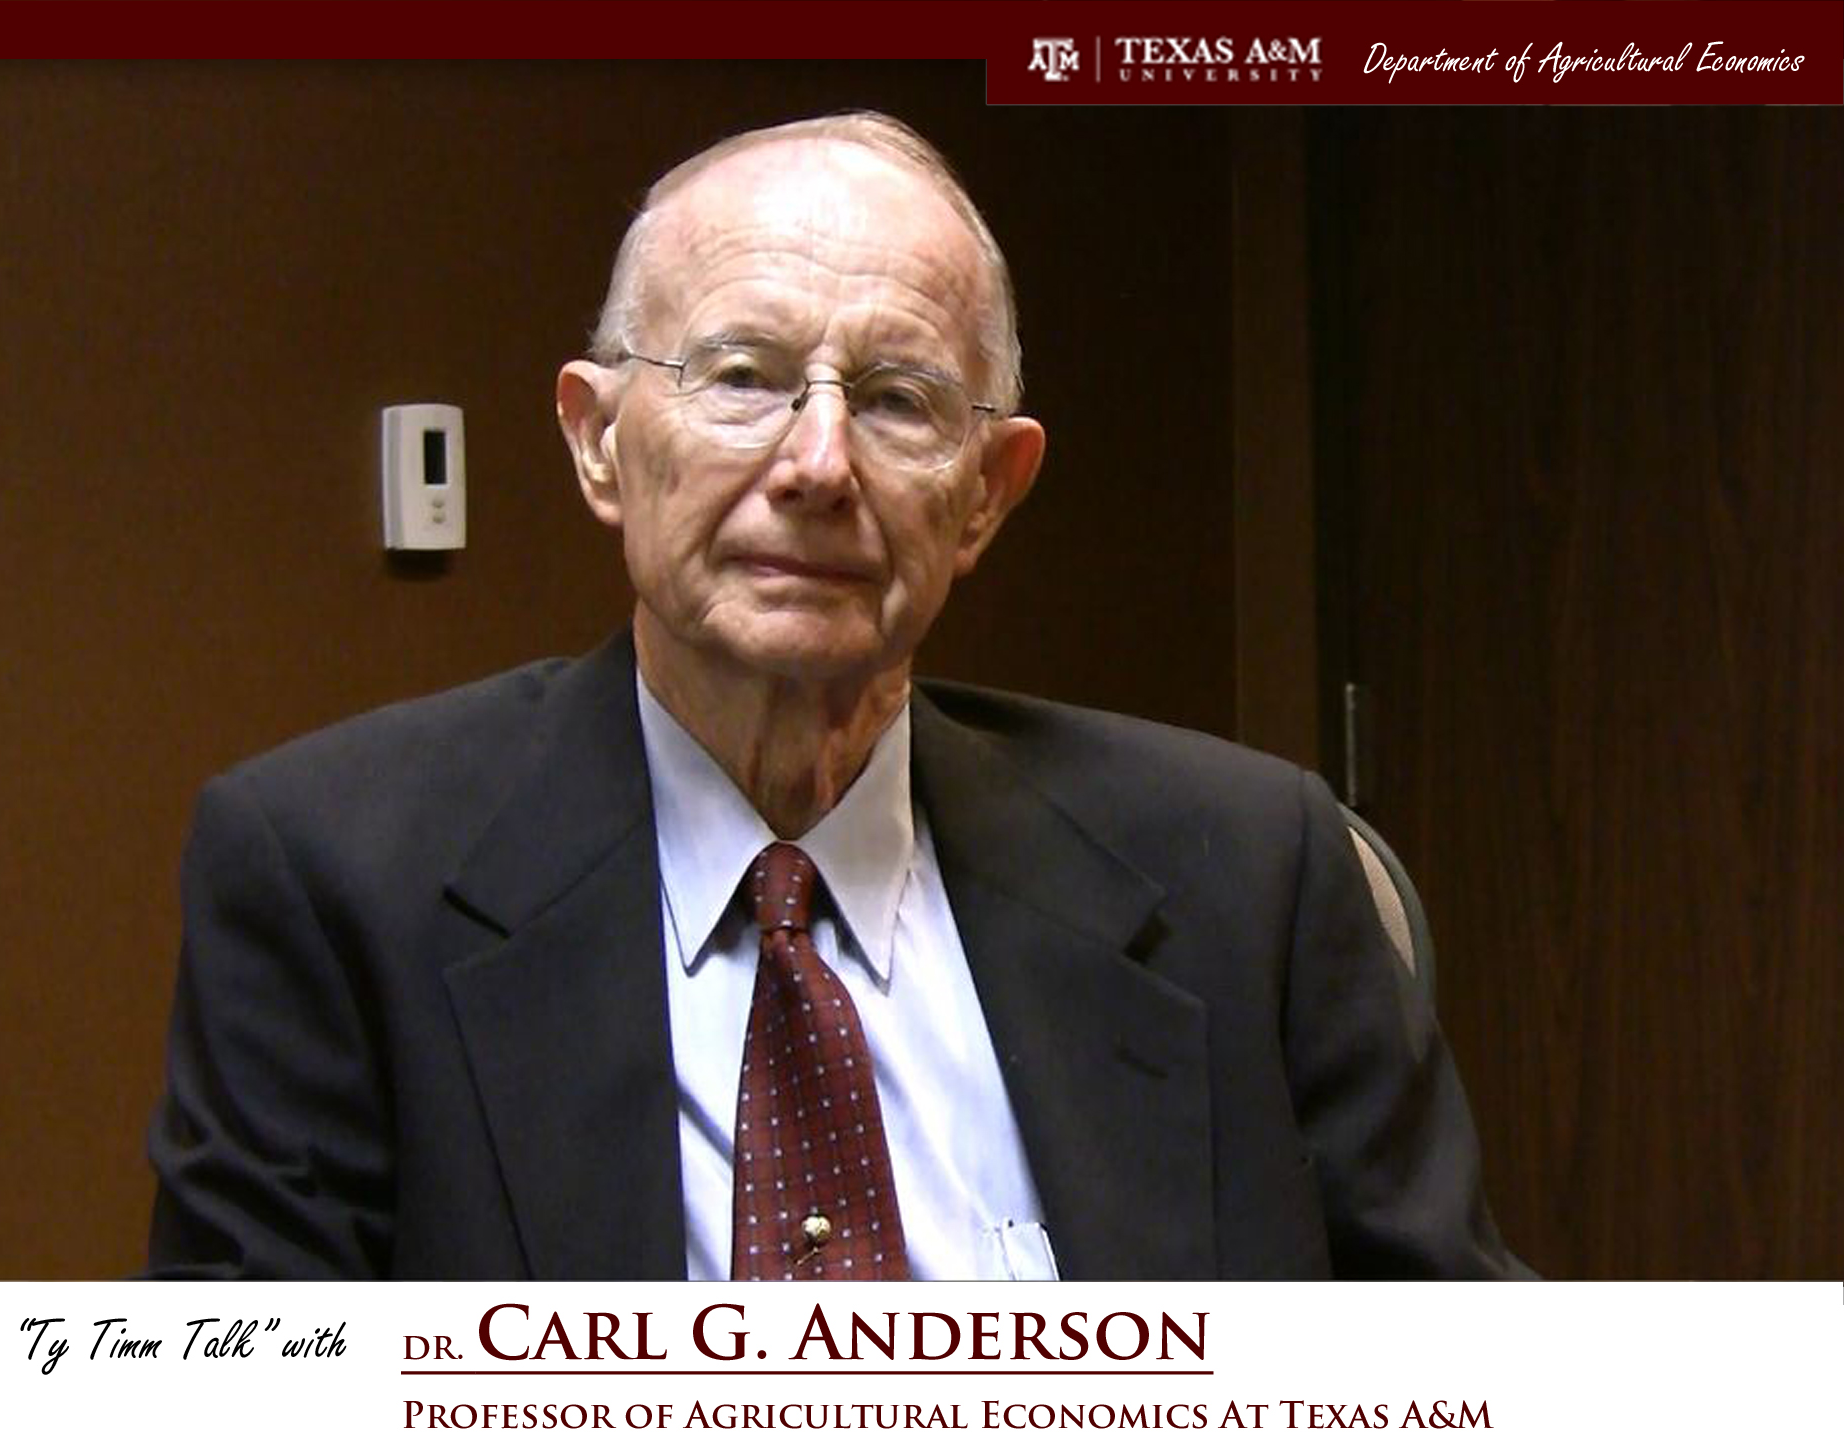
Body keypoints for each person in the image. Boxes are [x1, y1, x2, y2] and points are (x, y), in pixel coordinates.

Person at [148, 112, 1526, 1280]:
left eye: (899, 399)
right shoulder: (332, 876)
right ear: (598, 445)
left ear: (987, 494)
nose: (817, 462)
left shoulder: (1249, 871)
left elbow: (1477, 1385)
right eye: (740, 377)